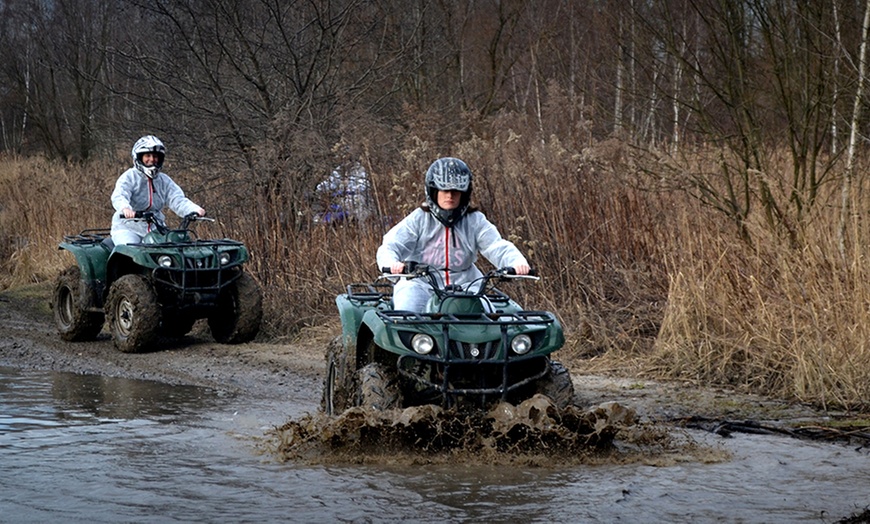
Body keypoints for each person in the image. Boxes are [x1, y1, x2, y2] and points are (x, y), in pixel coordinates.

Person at [376, 157, 530, 312]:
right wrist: (392, 264)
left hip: (467, 286)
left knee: (487, 315)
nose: (450, 196)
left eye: (456, 191)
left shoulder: (475, 220)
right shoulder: (419, 219)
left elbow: (496, 246)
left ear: (464, 193)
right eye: (445, 190)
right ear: (433, 191)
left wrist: (516, 263)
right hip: (419, 284)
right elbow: (391, 245)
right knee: (406, 311)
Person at [111, 135, 205, 245]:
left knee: (174, 248)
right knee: (128, 250)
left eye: (155, 156)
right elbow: (120, 195)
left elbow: (177, 199)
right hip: (128, 228)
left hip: (156, 228)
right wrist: (125, 209)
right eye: (148, 155)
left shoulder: (163, 180)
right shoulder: (129, 177)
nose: (152, 159)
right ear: (138, 157)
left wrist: (194, 210)